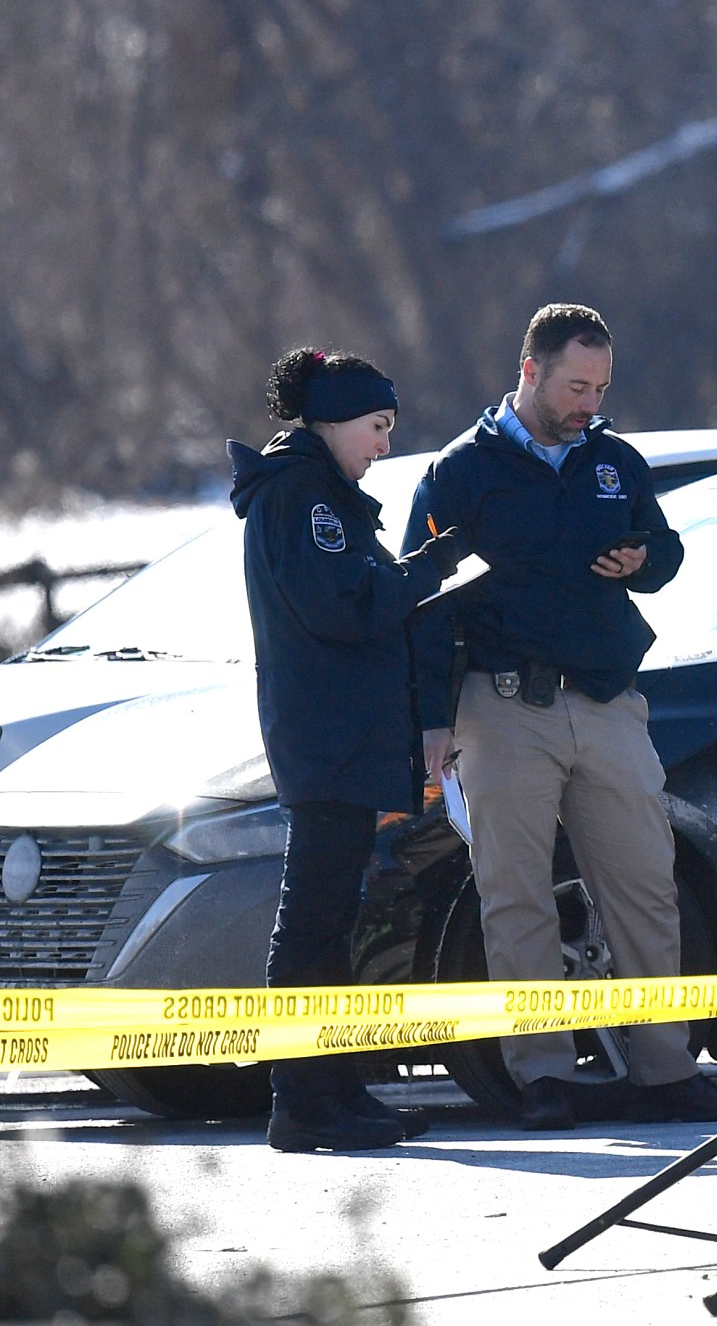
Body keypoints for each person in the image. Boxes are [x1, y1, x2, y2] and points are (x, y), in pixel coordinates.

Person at [408, 304, 717, 1129]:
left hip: (608, 700)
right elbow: (422, 604)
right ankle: (542, 1075)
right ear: (529, 372)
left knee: (645, 885)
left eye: (601, 387)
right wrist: (429, 722)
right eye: (575, 385)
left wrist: (644, 558)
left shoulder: (614, 461)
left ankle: (666, 1069)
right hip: (503, 704)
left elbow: (664, 551)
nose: (590, 402)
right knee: (515, 897)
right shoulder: (459, 474)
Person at [229, 347, 467, 1153]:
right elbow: (347, 608)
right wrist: (430, 568)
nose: (384, 444)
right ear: (332, 419)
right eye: (376, 426)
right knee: (312, 924)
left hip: (336, 737)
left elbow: (354, 600)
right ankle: (301, 1097)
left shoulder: (318, 495)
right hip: (326, 740)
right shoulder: (305, 498)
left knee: (329, 923)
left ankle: (330, 1088)